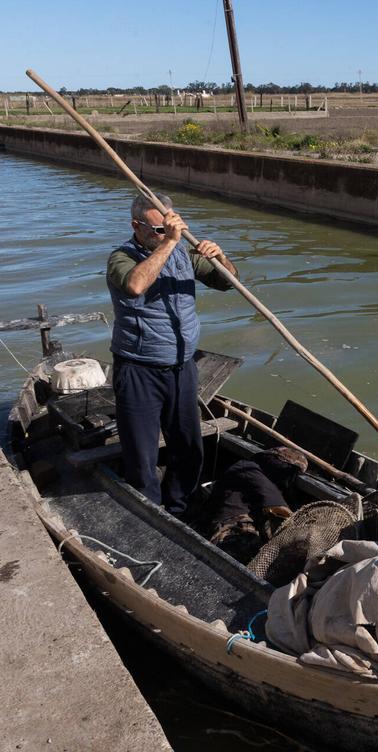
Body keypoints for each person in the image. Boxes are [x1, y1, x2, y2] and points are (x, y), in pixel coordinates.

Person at [105, 193, 238, 516]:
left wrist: (220, 257)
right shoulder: (121, 258)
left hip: (182, 368)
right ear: (136, 226)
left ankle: (180, 508)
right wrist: (169, 243)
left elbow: (228, 282)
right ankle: (149, 516)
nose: (167, 233)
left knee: (189, 448)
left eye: (170, 225)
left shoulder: (182, 255)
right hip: (139, 370)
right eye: (159, 229)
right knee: (142, 455)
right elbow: (135, 286)